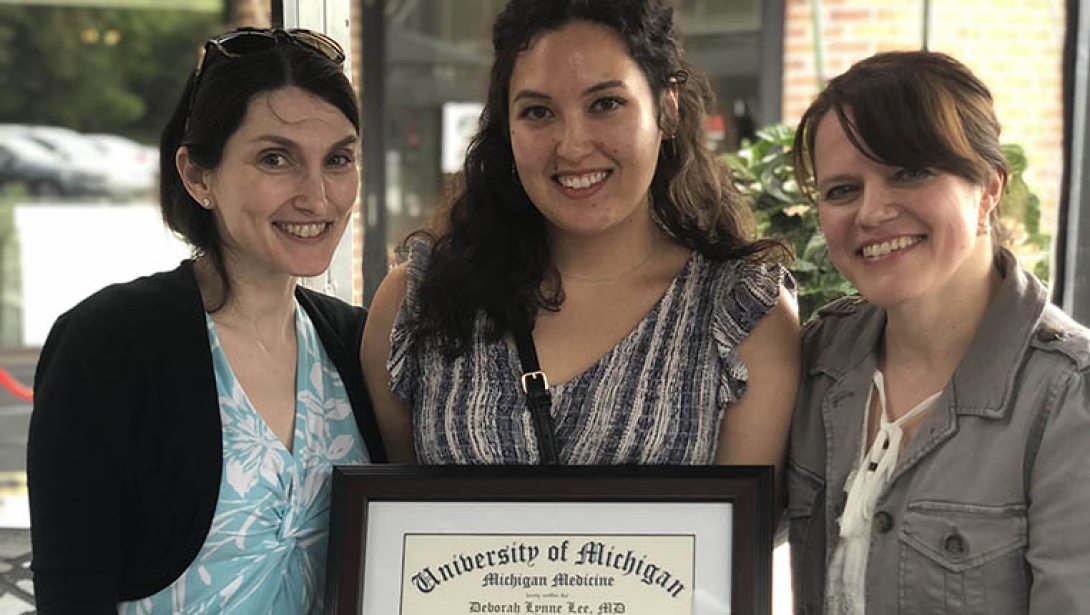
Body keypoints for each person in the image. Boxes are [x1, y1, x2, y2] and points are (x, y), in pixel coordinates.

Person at [27, 27, 386, 613]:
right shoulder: (111, 343)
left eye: (338, 159)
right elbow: (72, 588)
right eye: (276, 159)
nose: (318, 197)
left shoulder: (353, 342)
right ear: (198, 176)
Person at [362, 0, 799, 479]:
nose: (572, 146)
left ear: (667, 108)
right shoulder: (416, 305)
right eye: (537, 112)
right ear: (506, 128)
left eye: (606, 104)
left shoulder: (741, 317)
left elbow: (736, 544)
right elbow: (399, 534)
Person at [787, 50, 1090, 614]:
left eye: (909, 172)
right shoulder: (817, 358)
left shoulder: (1070, 396)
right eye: (842, 190)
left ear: (989, 188)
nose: (872, 212)